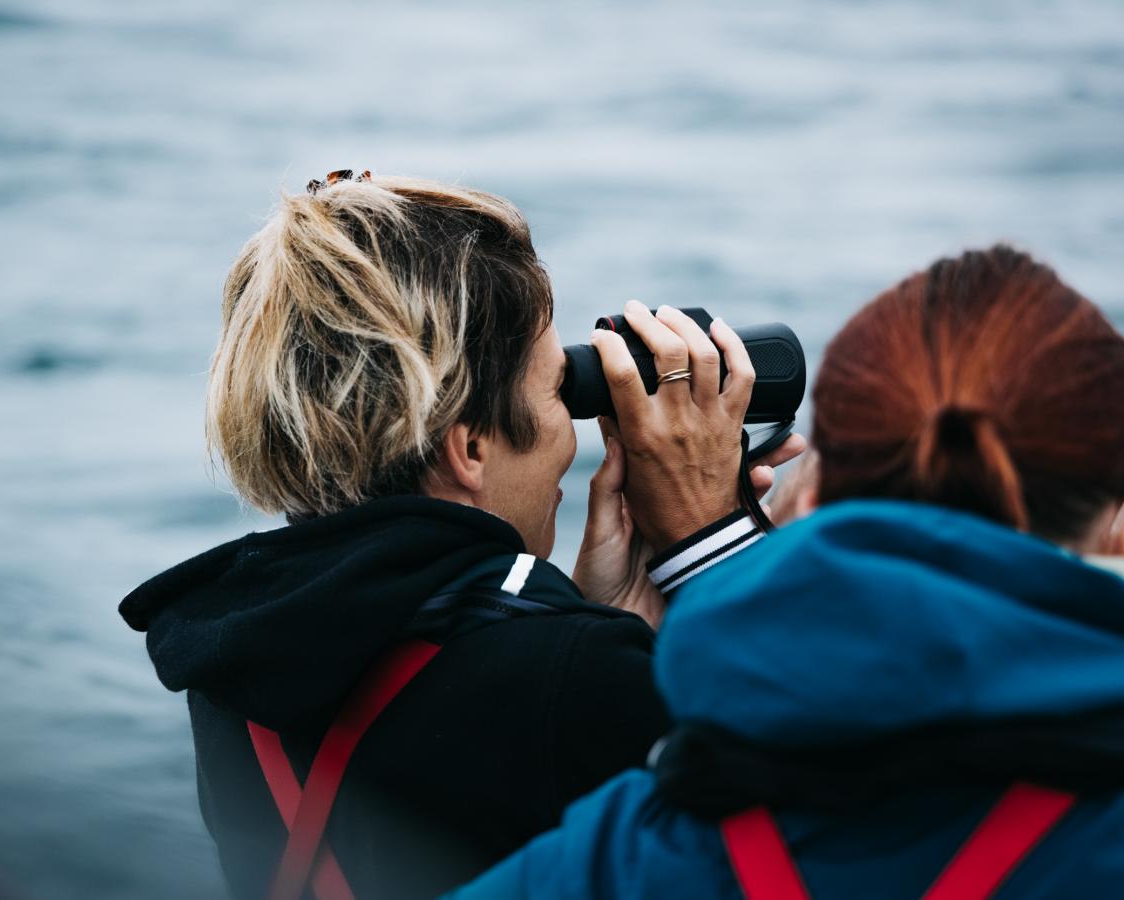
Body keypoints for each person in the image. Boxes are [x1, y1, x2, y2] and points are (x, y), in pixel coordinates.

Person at [118, 172, 802, 899]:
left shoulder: (235, 668)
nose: (571, 437)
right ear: (468, 446)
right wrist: (713, 545)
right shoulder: (569, 678)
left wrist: (598, 617)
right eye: (554, 391)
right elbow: (826, 832)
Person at [452, 245, 1124, 899]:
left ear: (810, 493)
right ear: (1116, 527)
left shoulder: (619, 857)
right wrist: (682, 570)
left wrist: (692, 571)